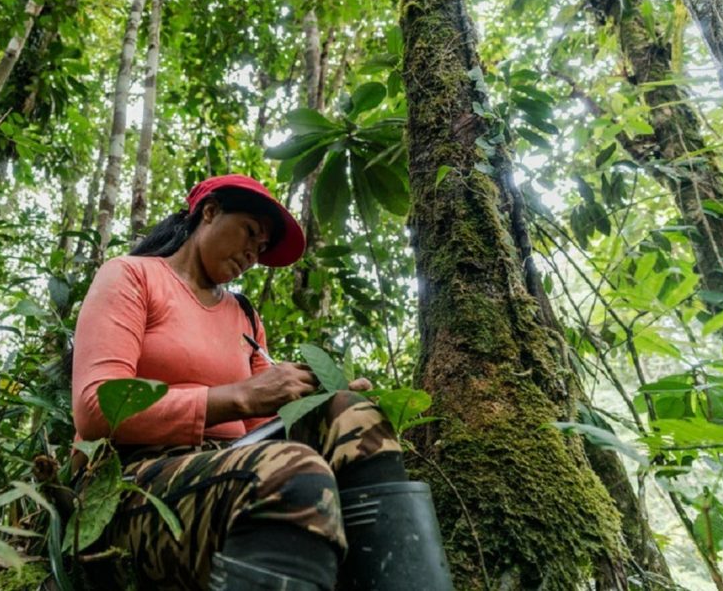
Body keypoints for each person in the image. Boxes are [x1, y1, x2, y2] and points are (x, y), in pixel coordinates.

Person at [71, 174, 453, 590]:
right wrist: (237, 397)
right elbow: (94, 410)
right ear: (210, 212)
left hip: (227, 469)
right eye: (250, 232)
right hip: (128, 489)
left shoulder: (245, 318)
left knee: (355, 417)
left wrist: (322, 398)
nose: (253, 252)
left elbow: (260, 433)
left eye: (262, 246)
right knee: (292, 472)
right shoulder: (132, 276)